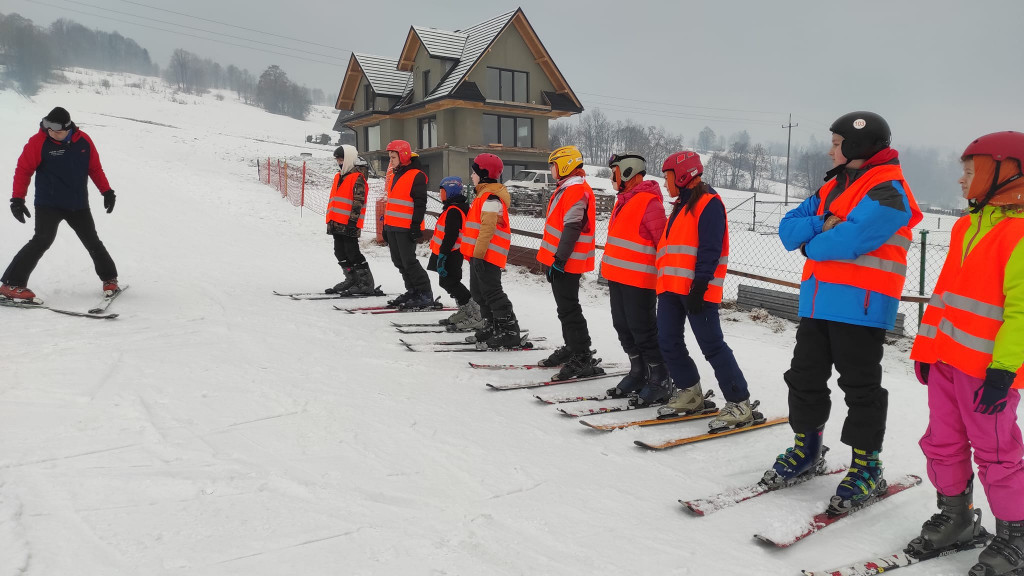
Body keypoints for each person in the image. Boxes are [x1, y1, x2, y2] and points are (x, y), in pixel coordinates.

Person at [762, 111, 923, 514]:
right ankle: (808, 449)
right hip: (817, 303)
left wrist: (814, 242)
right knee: (804, 378)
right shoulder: (833, 186)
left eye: (836, 144)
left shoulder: (890, 190)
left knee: (861, 388)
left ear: (857, 145)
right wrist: (823, 222)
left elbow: (852, 240)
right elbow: (787, 228)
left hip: (862, 307)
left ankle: (868, 467)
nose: (830, 151)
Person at [905, 131, 1024, 576]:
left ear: (1004, 172)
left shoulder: (1019, 234)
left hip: (989, 373)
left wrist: (1004, 370)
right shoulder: (965, 226)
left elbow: (1021, 312)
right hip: (947, 365)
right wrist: (928, 348)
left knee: (997, 453)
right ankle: (957, 517)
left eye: (971, 171)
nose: (961, 180)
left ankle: (1016, 534)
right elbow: (946, 297)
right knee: (942, 442)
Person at [650, 151, 753, 433]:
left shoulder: (709, 204)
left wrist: (699, 286)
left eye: (668, 176)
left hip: (697, 291)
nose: (665, 182)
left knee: (712, 346)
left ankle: (739, 402)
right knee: (668, 341)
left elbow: (710, 248)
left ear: (683, 175)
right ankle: (690, 392)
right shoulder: (681, 205)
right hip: (670, 289)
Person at [1, 107, 120, 301]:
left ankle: (110, 279)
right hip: (49, 203)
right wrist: (17, 199)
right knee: (41, 240)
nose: (52, 133)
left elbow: (94, 168)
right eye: (49, 129)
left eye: (57, 130)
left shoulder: (84, 141)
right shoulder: (38, 142)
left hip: (77, 203)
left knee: (92, 241)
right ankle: (11, 285)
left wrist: (106, 191)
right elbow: (24, 169)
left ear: (69, 128)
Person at [600, 153, 669, 400]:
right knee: (623, 326)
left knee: (643, 330)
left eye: (615, 173)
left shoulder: (650, 203)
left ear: (628, 172)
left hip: (640, 281)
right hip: (618, 278)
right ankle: (639, 371)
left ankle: (660, 377)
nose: (611, 178)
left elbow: (663, 244)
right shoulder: (624, 201)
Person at [536, 145, 599, 381]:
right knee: (565, 308)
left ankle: (582, 354)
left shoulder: (575, 190)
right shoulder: (567, 188)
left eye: (553, 165)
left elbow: (572, 226)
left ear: (564, 164)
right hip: (561, 261)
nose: (551, 169)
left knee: (569, 308)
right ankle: (573, 347)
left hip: (567, 262)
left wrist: (560, 259)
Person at [460, 153, 520, 349]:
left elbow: (487, 228)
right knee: (479, 293)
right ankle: (492, 324)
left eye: (474, 172)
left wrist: (478, 255)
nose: (471, 176)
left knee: (492, 293)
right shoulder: (483, 195)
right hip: (478, 255)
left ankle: (509, 330)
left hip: (487, 255)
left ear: (484, 174)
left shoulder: (491, 197)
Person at [382, 140, 433, 309]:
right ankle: (412, 290)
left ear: (403, 155)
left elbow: (420, 204)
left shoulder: (416, 175)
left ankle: (425, 293)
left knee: (409, 261)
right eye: (390, 157)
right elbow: (392, 203)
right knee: (398, 262)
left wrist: (415, 226)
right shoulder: (396, 174)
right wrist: (385, 227)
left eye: (394, 157)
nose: (391, 160)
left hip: (406, 228)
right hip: (393, 227)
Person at [428, 176, 480, 329]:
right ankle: (465, 309)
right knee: (449, 282)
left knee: (450, 282)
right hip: (450, 252)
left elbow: (451, 235)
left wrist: (443, 256)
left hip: (451, 253)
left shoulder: (454, 211)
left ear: (449, 192)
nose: (440, 195)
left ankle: (473, 311)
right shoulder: (456, 208)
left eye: (442, 191)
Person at [325, 145, 378, 296]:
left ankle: (366, 282)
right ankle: (352, 279)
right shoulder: (338, 177)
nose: (339, 162)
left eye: (341, 159)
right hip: (336, 222)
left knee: (352, 252)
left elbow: (358, 201)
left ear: (348, 159)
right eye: (337, 160)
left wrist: (352, 221)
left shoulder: (357, 177)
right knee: (339, 252)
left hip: (349, 223)